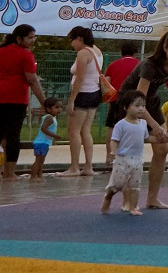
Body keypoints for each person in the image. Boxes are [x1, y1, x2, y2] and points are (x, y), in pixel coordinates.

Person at [118, 29, 168, 210]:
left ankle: (152, 198)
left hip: (151, 102)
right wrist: (155, 126)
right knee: (131, 151)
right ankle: (127, 201)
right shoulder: (149, 65)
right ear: (165, 47)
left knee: (163, 148)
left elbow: (150, 97)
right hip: (130, 103)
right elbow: (138, 101)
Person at [0, 24, 46, 181]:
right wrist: (44, 101)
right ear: (19, 38)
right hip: (15, 97)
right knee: (13, 134)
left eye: (34, 37)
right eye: (30, 38)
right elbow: (32, 79)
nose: (33, 41)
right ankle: (9, 173)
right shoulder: (25, 55)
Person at [103, 94, 154, 216]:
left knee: (135, 185)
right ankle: (108, 196)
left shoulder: (143, 123)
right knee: (117, 185)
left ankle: (133, 207)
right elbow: (114, 140)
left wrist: (161, 139)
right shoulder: (121, 125)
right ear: (126, 108)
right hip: (122, 160)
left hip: (137, 160)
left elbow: (147, 138)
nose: (141, 109)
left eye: (143, 106)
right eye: (137, 105)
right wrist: (113, 151)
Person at [63, 26, 104, 177]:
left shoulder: (83, 53)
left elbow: (80, 78)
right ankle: (88, 166)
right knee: (86, 130)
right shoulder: (96, 51)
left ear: (79, 39)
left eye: (72, 40)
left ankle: (74, 167)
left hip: (83, 94)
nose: (71, 44)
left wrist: (71, 100)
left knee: (73, 131)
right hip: (94, 93)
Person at [102, 41, 140, 129]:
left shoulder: (112, 65)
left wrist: (107, 99)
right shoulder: (140, 64)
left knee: (113, 127)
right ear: (134, 54)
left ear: (122, 53)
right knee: (134, 126)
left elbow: (106, 83)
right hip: (135, 101)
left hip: (116, 100)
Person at [27, 99, 60, 180]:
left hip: (44, 142)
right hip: (42, 142)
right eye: (56, 107)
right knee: (38, 161)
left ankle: (39, 175)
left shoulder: (50, 117)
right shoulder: (49, 118)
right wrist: (54, 135)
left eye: (60, 107)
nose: (59, 109)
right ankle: (33, 177)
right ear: (48, 109)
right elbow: (43, 128)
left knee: (41, 160)